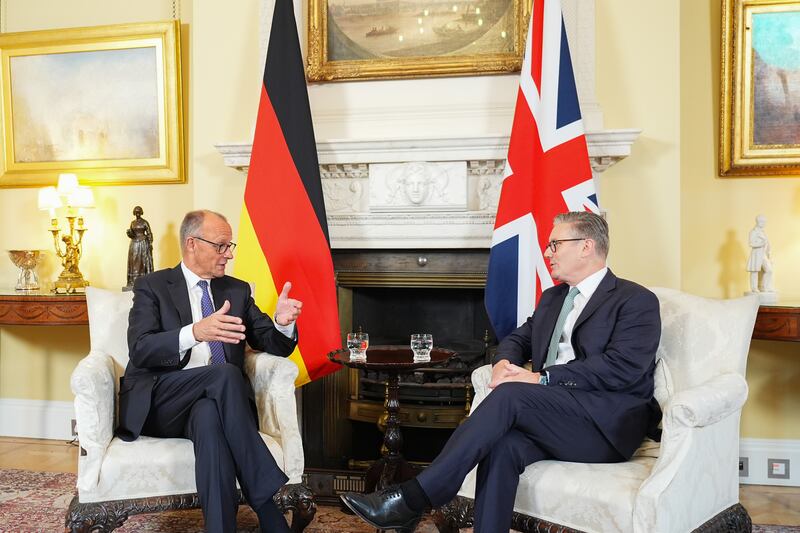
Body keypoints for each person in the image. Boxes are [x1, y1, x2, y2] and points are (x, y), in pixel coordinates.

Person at [341, 211, 662, 532]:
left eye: (555, 244)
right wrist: (502, 364)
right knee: (502, 445)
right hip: (554, 418)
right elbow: (518, 340)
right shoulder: (554, 298)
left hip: (604, 426)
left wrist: (542, 378)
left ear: (586, 246)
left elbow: (623, 367)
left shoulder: (635, 300)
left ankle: (415, 497)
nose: (547, 252)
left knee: (511, 395)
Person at [117, 209, 302, 533]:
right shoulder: (153, 285)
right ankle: (265, 503)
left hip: (215, 405)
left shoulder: (237, 290)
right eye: (221, 246)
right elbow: (141, 349)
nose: (229, 254)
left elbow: (272, 342)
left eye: (231, 246)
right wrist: (195, 332)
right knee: (226, 373)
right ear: (192, 244)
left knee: (208, 418)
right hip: (162, 400)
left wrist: (282, 323)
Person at [126, 205, 154, 288]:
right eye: (136, 212)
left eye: (139, 212)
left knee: (142, 262)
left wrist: (150, 243)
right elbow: (132, 234)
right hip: (134, 243)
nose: (137, 214)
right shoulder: (132, 223)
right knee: (134, 261)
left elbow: (149, 233)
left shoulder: (145, 222)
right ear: (134, 213)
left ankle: (144, 280)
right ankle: (133, 280)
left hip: (143, 244)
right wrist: (129, 233)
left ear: (141, 213)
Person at [746, 214, 774, 293]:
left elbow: (767, 243)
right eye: (763, 222)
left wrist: (769, 253)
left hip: (763, 254)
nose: (764, 224)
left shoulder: (763, 232)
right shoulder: (753, 232)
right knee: (754, 271)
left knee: (769, 270)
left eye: (765, 222)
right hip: (756, 254)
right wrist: (761, 244)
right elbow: (751, 243)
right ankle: (754, 288)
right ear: (758, 222)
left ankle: (766, 287)